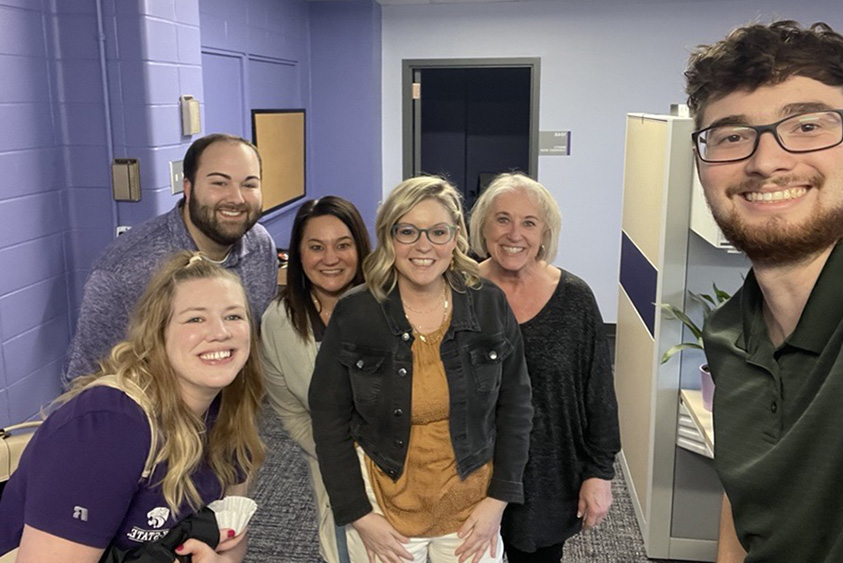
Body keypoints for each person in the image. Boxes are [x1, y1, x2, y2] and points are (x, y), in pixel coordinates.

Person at [685, 21, 843, 562]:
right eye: (732, 135)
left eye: (807, 126)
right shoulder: (729, 333)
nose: (766, 161)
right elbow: (746, 496)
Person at [309, 176, 533, 563]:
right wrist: (359, 515)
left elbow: (516, 407)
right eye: (408, 231)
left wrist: (497, 502)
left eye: (438, 231)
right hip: (384, 502)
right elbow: (328, 418)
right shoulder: (356, 313)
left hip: (470, 503)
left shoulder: (488, 305)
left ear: (456, 236)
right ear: (389, 236)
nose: (424, 246)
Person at [0, 251, 266, 562]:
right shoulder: (107, 427)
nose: (220, 332)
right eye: (195, 318)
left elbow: (231, 542)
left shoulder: (227, 411)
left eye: (234, 316)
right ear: (158, 334)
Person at [468, 173, 621, 562]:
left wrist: (599, 473)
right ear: (483, 226)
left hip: (548, 480)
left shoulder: (574, 298)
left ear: (544, 234)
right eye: (502, 219)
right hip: (469, 478)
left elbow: (598, 393)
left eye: (529, 223)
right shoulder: (459, 291)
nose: (514, 233)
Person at [65, 133, 278, 382]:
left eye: (249, 184)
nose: (236, 198)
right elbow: (85, 380)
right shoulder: (124, 271)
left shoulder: (260, 246)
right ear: (188, 188)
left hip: (235, 412)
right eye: (219, 183)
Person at [260, 196, 372, 563]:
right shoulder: (279, 323)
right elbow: (291, 413)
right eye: (316, 247)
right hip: (336, 480)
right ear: (299, 253)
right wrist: (338, 455)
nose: (330, 258)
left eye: (343, 245)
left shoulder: (392, 307)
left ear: (360, 247)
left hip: (410, 476)